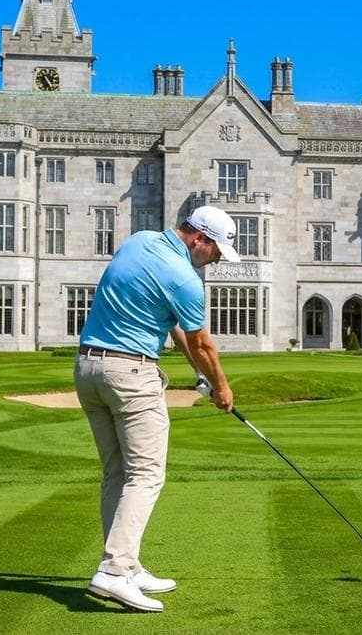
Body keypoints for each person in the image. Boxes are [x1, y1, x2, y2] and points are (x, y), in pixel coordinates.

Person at [74, 205, 238, 613]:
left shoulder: (139, 242)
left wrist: (196, 373)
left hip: (89, 369)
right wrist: (221, 386)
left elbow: (173, 326)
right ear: (198, 238)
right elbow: (202, 343)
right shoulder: (184, 277)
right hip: (131, 373)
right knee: (146, 474)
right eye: (216, 250)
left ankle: (127, 566)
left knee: (118, 472)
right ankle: (114, 571)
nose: (217, 259)